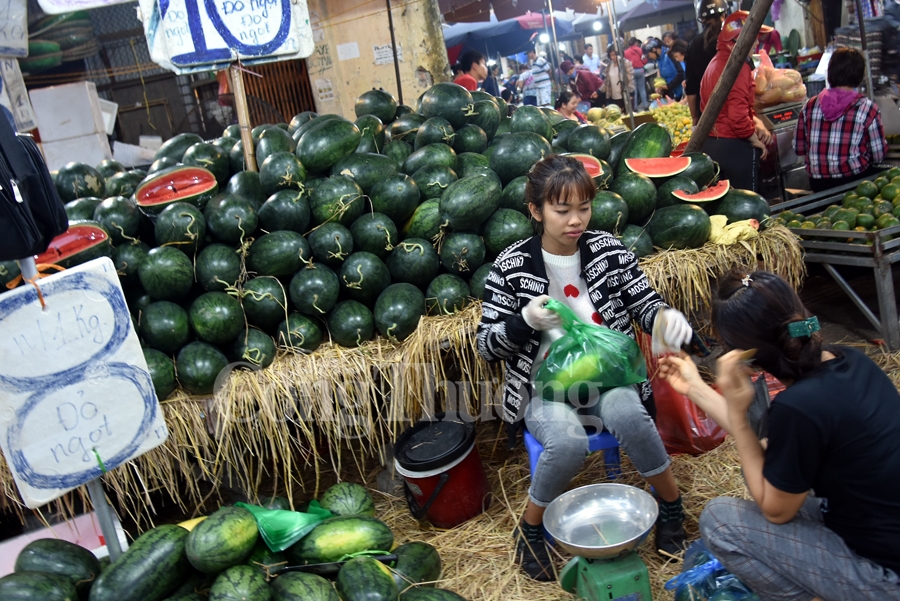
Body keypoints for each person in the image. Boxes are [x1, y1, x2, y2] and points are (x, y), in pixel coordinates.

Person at [476, 154, 693, 581]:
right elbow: (487, 346)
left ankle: (671, 509)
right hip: (543, 391)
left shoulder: (609, 252)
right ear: (535, 211)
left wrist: (665, 319)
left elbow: (643, 303)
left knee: (631, 415)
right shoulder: (510, 267)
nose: (575, 220)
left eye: (584, 208)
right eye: (561, 210)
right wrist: (525, 322)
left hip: (610, 380)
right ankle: (531, 529)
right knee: (568, 442)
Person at [658, 269, 900, 601]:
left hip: (885, 578)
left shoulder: (798, 406)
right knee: (788, 489)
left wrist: (741, 417)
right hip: (875, 529)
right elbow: (776, 456)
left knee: (721, 520)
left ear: (744, 357)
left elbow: (776, 509)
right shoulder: (854, 361)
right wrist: (695, 388)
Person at [794, 47, 886, 193]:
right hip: (855, 182)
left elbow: (799, 149)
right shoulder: (867, 108)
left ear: (830, 72)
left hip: (818, 184)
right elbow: (878, 154)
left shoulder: (809, 106)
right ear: (859, 75)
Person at [700, 11, 773, 192]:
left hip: (713, 144)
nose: (756, 43)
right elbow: (737, 116)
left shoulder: (714, 63)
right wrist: (754, 139)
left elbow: (733, 105)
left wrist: (755, 121)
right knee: (749, 205)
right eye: (753, 38)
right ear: (737, 41)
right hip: (733, 146)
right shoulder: (737, 68)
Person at [686, 0, 728, 125]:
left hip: (706, 114)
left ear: (701, 19)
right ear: (724, 14)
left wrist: (695, 119)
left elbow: (691, 88)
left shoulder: (693, 46)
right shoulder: (733, 39)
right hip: (735, 108)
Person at [601, 45, 634, 110]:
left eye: (614, 55)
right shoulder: (609, 66)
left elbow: (630, 79)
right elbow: (606, 83)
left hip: (624, 96)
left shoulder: (626, 63)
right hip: (613, 97)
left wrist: (630, 93)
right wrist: (598, 91)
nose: (612, 57)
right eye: (611, 55)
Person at [625, 37, 648, 111]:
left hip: (631, 72)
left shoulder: (626, 52)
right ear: (636, 43)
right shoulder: (640, 50)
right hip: (640, 70)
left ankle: (634, 107)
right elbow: (645, 60)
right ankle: (645, 105)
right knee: (642, 89)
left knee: (634, 90)